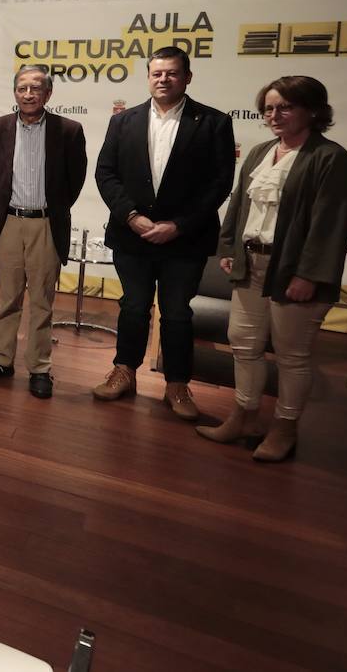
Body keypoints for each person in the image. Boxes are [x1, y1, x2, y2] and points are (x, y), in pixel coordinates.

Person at [197, 76, 347, 461]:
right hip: (251, 264)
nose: (274, 115)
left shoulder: (331, 159)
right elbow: (239, 206)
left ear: (313, 110)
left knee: (291, 354)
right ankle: (244, 416)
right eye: (268, 108)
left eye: (285, 107)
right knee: (244, 344)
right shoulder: (258, 153)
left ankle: (285, 429)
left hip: (294, 271)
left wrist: (309, 275)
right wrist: (229, 247)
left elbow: (332, 226)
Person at [92, 45, 235, 418]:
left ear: (187, 77)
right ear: (148, 76)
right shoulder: (124, 121)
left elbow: (219, 183)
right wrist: (131, 216)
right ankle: (124, 371)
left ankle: (177, 385)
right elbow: (106, 173)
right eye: (157, 73)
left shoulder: (214, 122)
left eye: (172, 73)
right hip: (132, 236)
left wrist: (179, 225)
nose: (163, 79)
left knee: (176, 313)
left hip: (184, 240)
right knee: (133, 307)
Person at [0, 66, 88, 398]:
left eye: (35, 88)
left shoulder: (68, 130)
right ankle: (0, 360)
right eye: (22, 88)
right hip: (8, 222)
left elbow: (74, 180)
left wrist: (50, 207)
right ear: (15, 92)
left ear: (48, 94)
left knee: (42, 299)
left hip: (46, 224)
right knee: (8, 296)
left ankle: (39, 367)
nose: (28, 94)